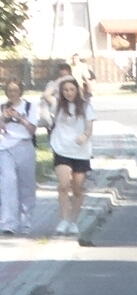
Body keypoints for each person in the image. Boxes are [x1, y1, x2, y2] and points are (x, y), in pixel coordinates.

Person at [41, 77, 93, 236]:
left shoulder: (85, 106)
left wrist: (84, 136)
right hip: (61, 148)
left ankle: (73, 220)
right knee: (63, 185)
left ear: (77, 91)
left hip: (80, 151)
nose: (69, 93)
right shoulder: (58, 105)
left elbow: (89, 128)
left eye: (71, 89)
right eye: (65, 90)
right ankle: (64, 219)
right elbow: (46, 94)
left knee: (77, 188)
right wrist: (61, 80)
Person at [0, 81, 37, 235]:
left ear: (20, 91)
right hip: (5, 148)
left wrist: (20, 118)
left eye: (15, 90)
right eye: (9, 90)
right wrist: (3, 118)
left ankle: (26, 220)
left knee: (26, 185)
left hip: (24, 146)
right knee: (8, 184)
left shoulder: (29, 107)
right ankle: (8, 223)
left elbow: (32, 130)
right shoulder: (2, 107)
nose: (12, 93)